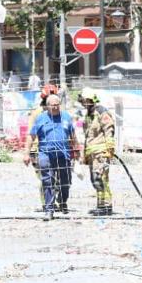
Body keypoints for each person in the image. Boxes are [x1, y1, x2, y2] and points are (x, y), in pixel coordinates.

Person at [26, 93, 79, 218]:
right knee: (47, 181)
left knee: (66, 181)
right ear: (47, 106)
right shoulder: (40, 118)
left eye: (57, 105)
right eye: (52, 105)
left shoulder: (66, 117)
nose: (55, 107)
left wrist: (77, 150)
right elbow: (31, 136)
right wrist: (27, 153)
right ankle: (49, 209)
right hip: (45, 154)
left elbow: (73, 134)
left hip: (63, 155)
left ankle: (62, 201)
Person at [80, 87, 116, 216]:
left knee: (101, 178)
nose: (83, 103)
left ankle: (107, 206)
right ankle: (101, 205)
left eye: (84, 100)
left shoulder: (102, 112)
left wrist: (110, 149)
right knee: (95, 180)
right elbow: (88, 136)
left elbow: (109, 131)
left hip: (101, 153)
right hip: (92, 155)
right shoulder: (89, 115)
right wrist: (85, 155)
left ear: (90, 100)